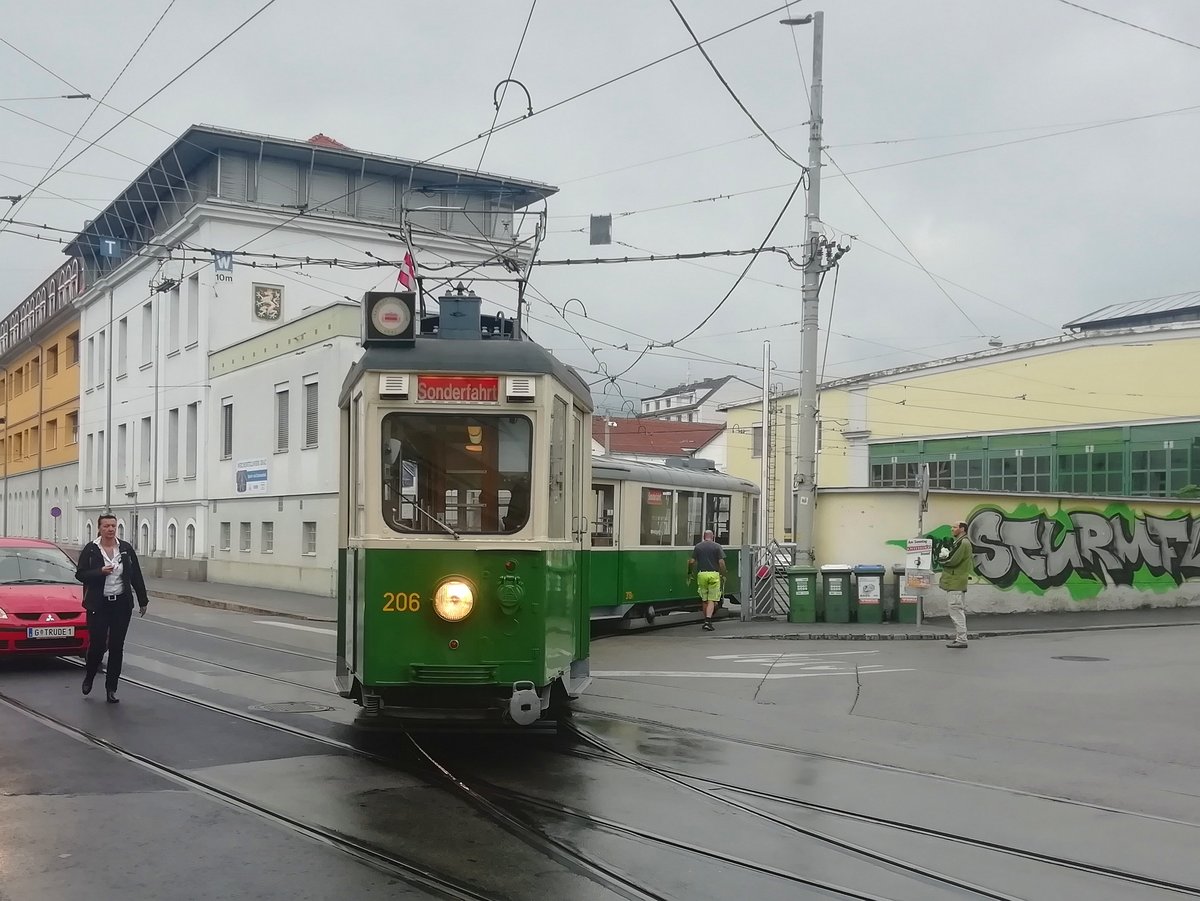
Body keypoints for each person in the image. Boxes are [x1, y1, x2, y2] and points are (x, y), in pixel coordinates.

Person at [75, 513, 150, 702]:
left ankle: (111, 688)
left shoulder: (125, 549)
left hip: (121, 604)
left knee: (117, 646)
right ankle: (90, 675)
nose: (110, 529)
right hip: (98, 604)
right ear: (99, 528)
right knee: (98, 645)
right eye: (106, 526)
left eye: (113, 526)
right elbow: (80, 574)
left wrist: (143, 600)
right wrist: (99, 572)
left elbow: (136, 575)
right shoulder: (91, 549)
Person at [939, 520, 974, 649]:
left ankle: (961, 639)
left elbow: (953, 560)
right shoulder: (960, 542)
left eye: (954, 527)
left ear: (962, 529)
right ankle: (960, 638)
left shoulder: (963, 543)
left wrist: (942, 560)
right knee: (956, 610)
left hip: (956, 582)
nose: (952, 529)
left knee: (956, 611)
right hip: (956, 581)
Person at [687, 529, 727, 632]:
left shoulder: (698, 546)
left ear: (704, 536)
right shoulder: (717, 546)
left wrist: (689, 572)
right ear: (713, 536)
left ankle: (705, 621)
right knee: (711, 600)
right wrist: (723, 574)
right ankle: (708, 621)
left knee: (704, 599)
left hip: (702, 574)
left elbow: (691, 562)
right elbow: (721, 563)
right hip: (713, 574)